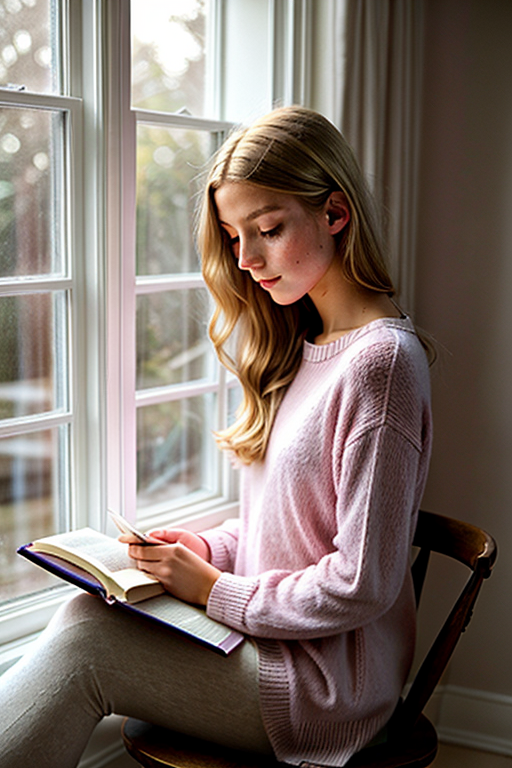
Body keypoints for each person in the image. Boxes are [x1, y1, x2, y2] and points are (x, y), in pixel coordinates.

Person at [0, 106, 432, 768]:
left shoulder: (382, 365)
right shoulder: (309, 345)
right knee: (88, 620)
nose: (247, 259)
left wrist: (208, 589)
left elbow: (360, 583)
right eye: (234, 237)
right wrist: (206, 548)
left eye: (268, 229)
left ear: (335, 215)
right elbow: (288, 531)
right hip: (271, 643)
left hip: (326, 686)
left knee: (87, 644)